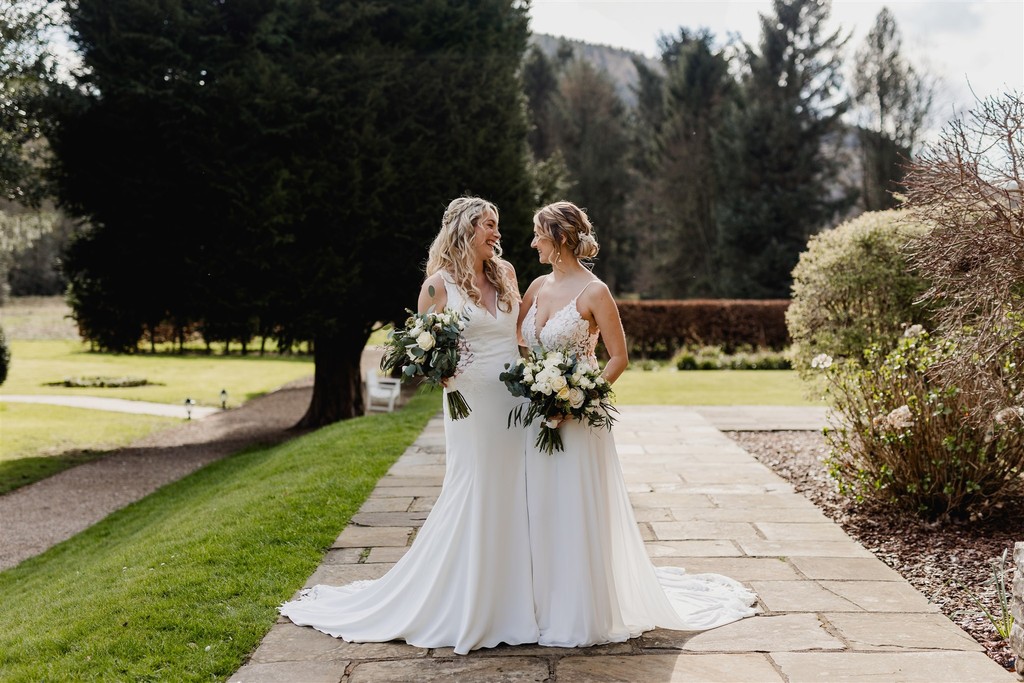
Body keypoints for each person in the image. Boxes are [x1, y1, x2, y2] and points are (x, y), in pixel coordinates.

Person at [280, 196, 539, 654]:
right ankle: (469, 596)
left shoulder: (508, 273)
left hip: (513, 397)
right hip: (472, 401)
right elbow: (421, 353)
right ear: (464, 230)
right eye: (488, 225)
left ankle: (516, 591)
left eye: (497, 225)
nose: (497, 233)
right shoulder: (438, 286)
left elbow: (519, 337)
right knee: (476, 485)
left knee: (515, 485)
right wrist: (444, 371)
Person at [518, 200, 757, 647]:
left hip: (578, 419)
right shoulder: (534, 287)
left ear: (561, 238)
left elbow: (619, 357)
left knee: (575, 507)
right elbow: (519, 342)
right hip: (537, 417)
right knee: (541, 507)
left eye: (538, 234)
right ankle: (540, 601)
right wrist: (533, 385)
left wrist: (576, 397)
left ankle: (580, 608)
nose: (532, 242)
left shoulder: (594, 292)